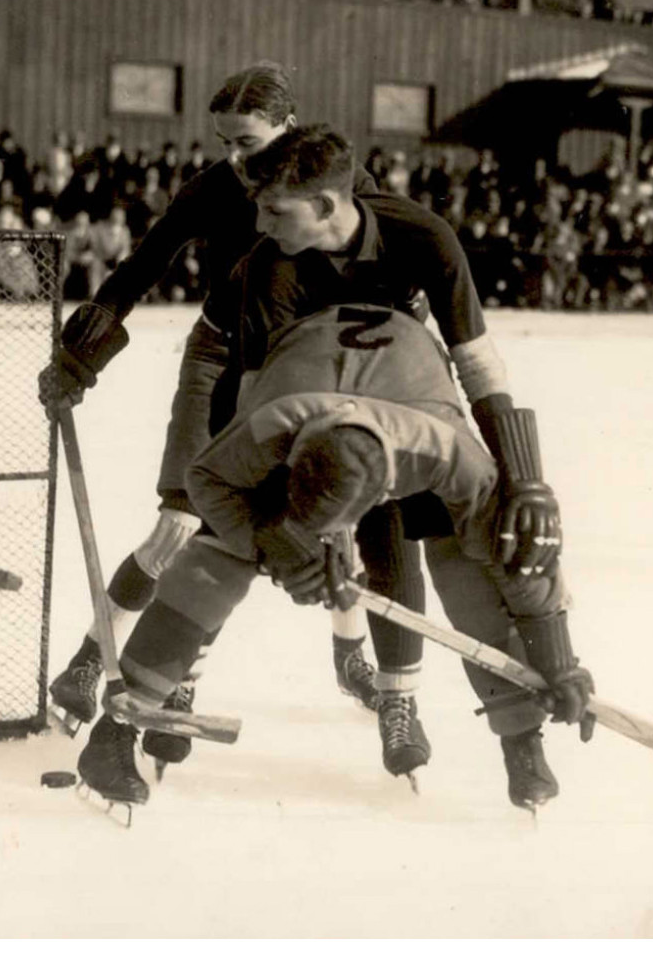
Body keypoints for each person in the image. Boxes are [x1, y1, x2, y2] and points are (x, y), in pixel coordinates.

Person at [35, 64, 415, 770]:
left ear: (289, 127)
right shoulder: (214, 189)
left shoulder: (341, 188)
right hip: (219, 357)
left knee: (338, 510)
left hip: (313, 367)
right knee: (185, 521)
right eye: (224, 142)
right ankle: (98, 660)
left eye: (247, 140)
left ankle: (351, 654)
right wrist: (78, 356)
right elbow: (139, 268)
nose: (236, 160)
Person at [96, 302, 591, 811]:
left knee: (467, 569)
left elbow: (522, 562)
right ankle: (112, 734)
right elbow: (206, 479)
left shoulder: (448, 455)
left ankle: (521, 743)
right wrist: (266, 539)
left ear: (386, 491)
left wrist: (557, 657)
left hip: (411, 378)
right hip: (297, 359)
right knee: (213, 559)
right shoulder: (274, 423)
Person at [227, 124, 563, 783]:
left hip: (414, 404)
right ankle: (398, 702)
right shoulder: (267, 265)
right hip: (324, 413)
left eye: (272, 209)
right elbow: (256, 397)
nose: (260, 224)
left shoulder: (423, 236)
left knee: (464, 568)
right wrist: (290, 509)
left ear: (325, 205)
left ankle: (520, 737)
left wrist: (523, 476)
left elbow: (475, 360)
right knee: (381, 550)